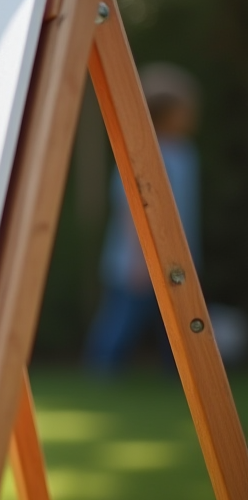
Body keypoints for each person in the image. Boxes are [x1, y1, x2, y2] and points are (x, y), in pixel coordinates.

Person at [83, 62, 201, 375]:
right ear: (164, 114)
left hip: (178, 258)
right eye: (185, 109)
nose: (192, 115)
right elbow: (130, 208)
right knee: (122, 318)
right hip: (137, 261)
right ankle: (101, 372)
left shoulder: (185, 153)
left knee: (179, 319)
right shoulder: (144, 153)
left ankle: (184, 376)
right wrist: (138, 259)